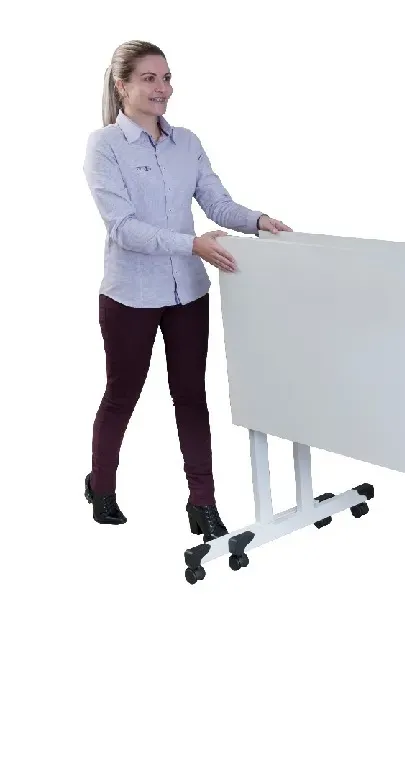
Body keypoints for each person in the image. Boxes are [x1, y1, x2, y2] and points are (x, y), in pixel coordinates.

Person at [83, 39, 292, 541]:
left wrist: (258, 221)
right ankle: (102, 486)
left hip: (187, 296)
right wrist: (191, 244)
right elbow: (123, 228)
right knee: (122, 394)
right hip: (130, 295)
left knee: (191, 397)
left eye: (167, 78)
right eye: (149, 78)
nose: (163, 88)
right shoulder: (105, 146)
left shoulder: (187, 143)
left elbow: (217, 203)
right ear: (122, 85)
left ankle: (203, 502)